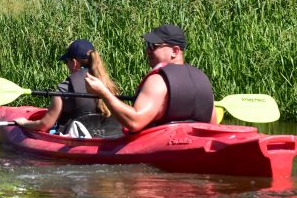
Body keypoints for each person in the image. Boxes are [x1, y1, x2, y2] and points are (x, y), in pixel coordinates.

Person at [85, 24, 216, 132]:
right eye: (148, 45)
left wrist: (103, 93)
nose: (148, 51)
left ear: (174, 51)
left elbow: (134, 122)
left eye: (154, 46)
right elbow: (213, 125)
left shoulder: (159, 80)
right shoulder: (203, 79)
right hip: (192, 147)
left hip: (159, 149)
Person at [14, 39, 123, 137]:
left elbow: (45, 125)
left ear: (74, 63)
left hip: (76, 142)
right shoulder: (108, 84)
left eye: (66, 61)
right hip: (109, 137)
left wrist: (24, 123)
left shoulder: (65, 87)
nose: (67, 65)